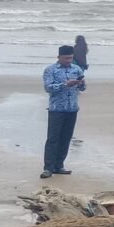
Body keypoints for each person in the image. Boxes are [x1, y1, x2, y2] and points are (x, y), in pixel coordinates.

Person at [41, 44, 86, 178]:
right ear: (59, 57)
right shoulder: (50, 70)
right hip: (57, 109)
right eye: (66, 58)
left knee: (66, 138)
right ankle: (48, 168)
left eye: (70, 58)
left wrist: (81, 84)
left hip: (72, 108)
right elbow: (48, 88)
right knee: (53, 139)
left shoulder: (77, 69)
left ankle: (59, 165)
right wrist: (65, 84)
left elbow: (83, 88)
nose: (68, 61)